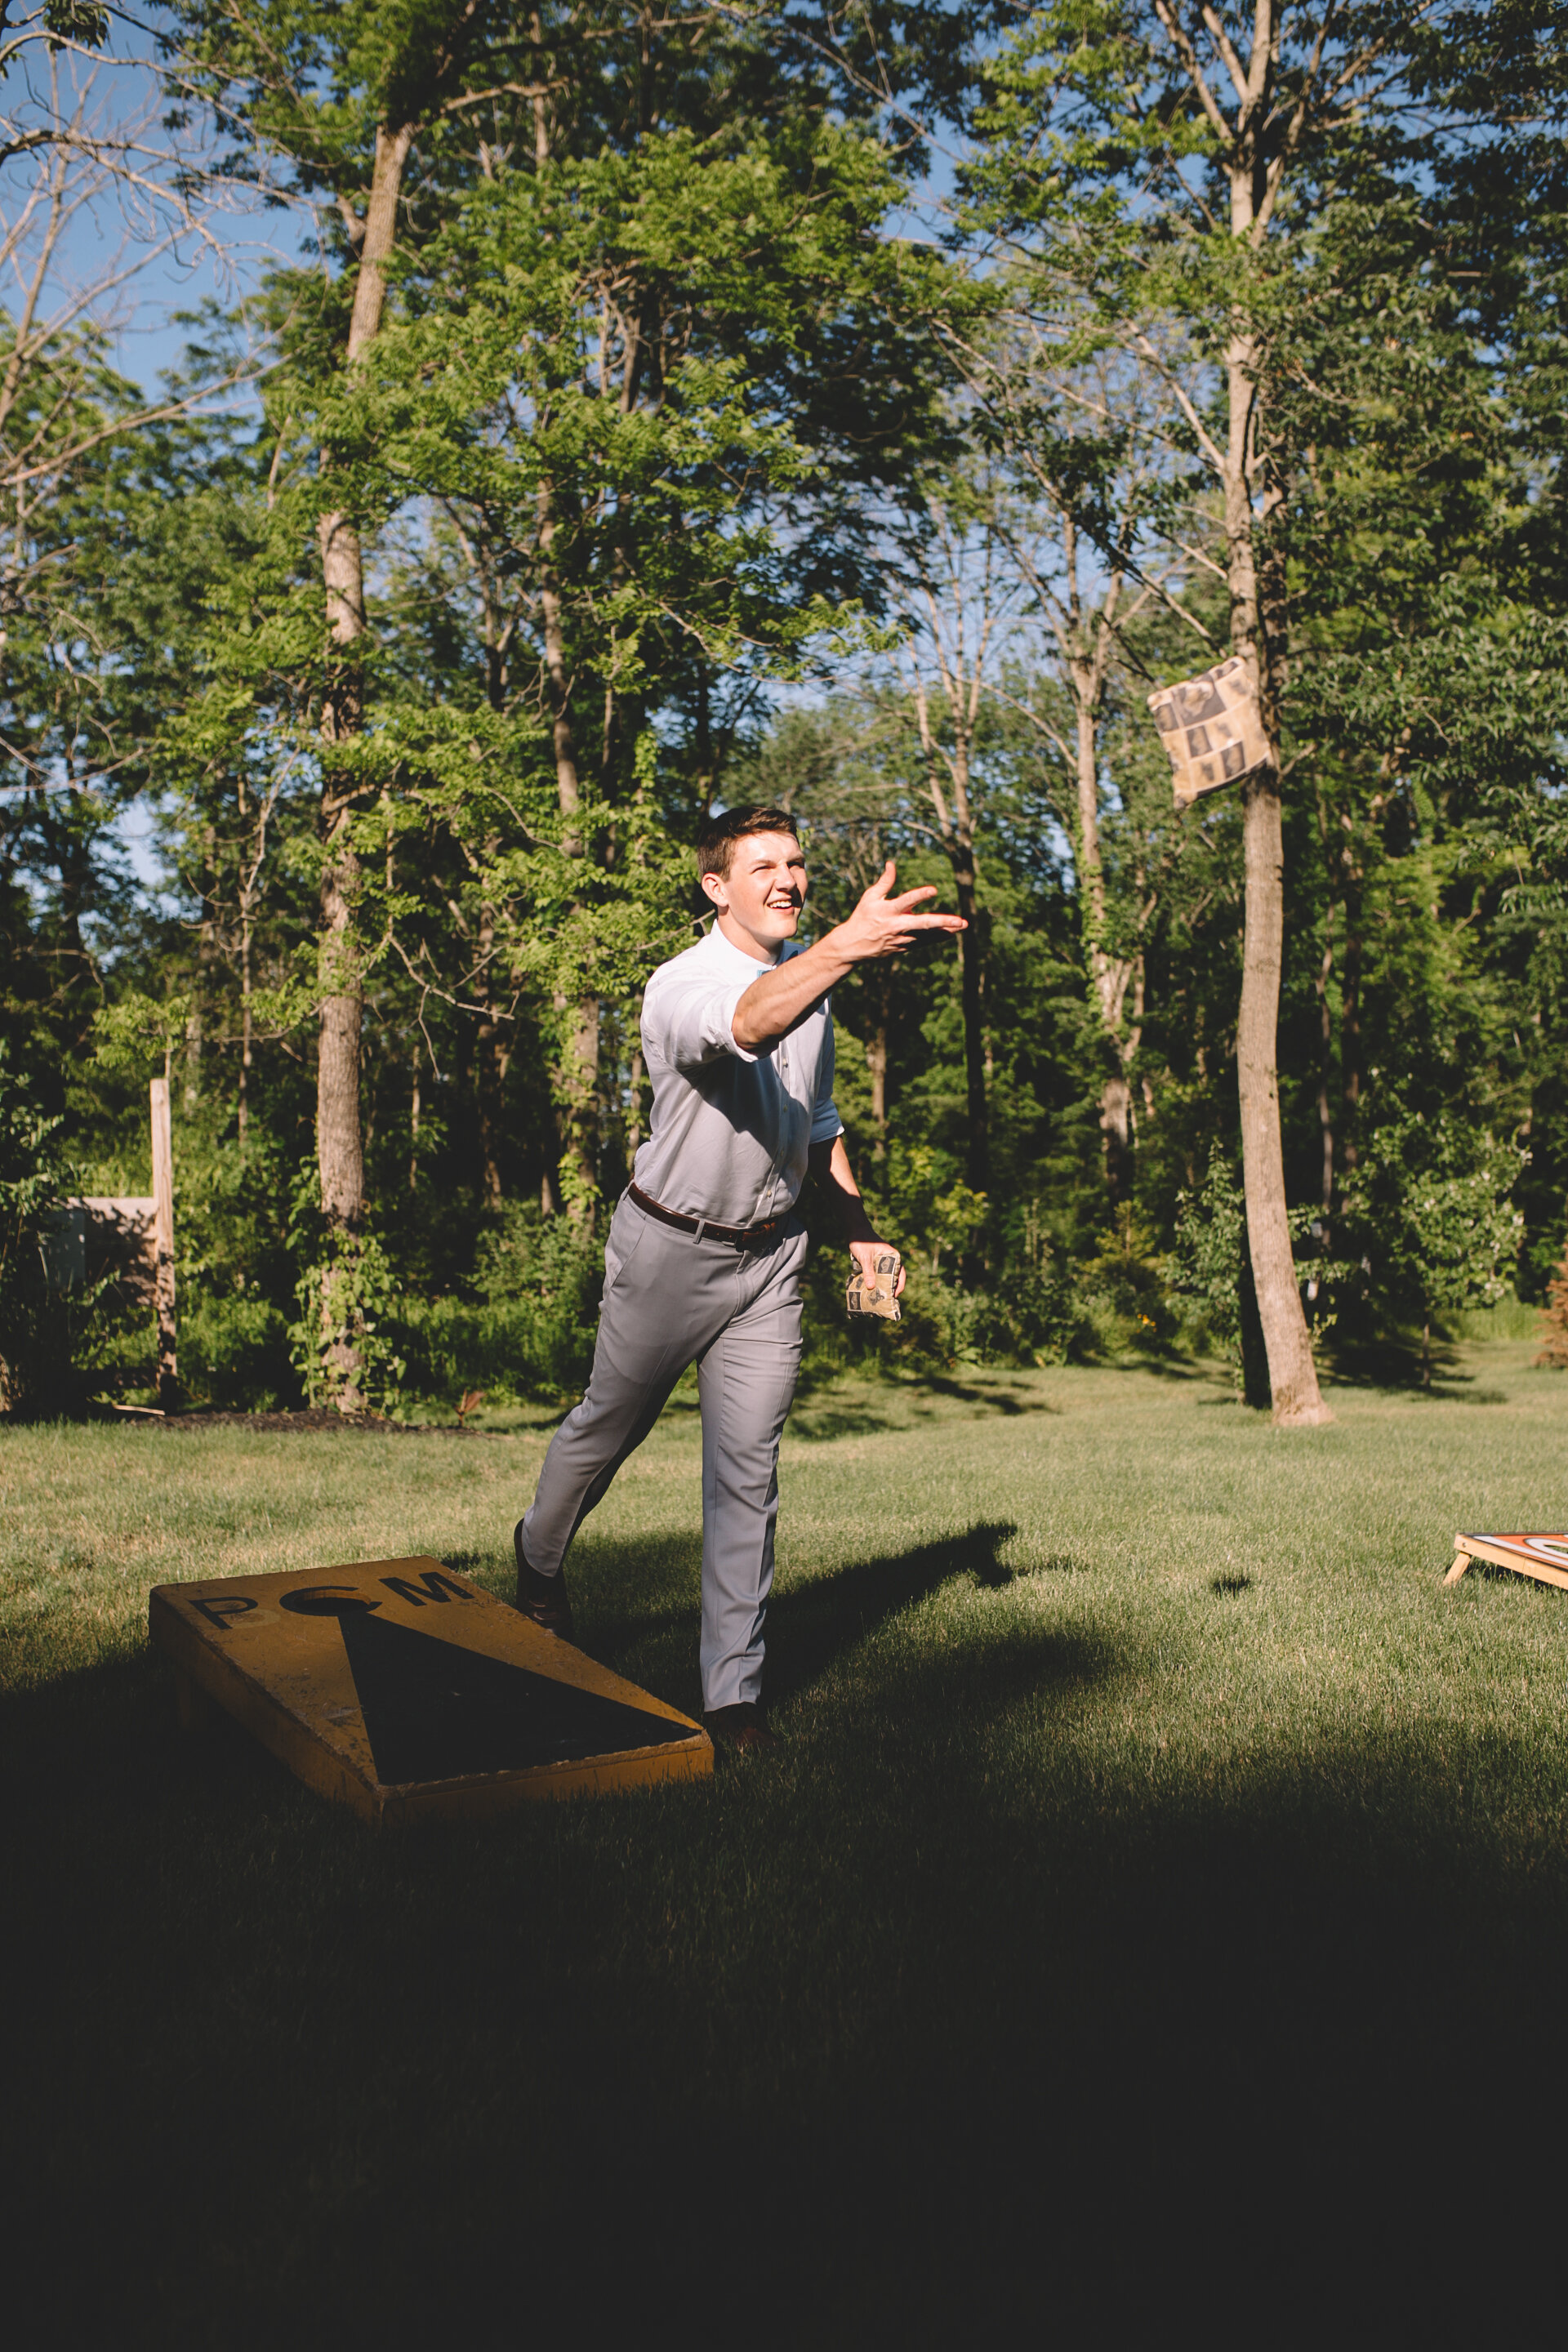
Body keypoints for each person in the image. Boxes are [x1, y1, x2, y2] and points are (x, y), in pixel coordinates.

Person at [513, 804, 966, 1750]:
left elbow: (819, 1125)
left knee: (746, 1476)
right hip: (671, 1248)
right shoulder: (683, 986)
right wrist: (843, 948)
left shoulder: (815, 986)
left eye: (797, 863)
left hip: (771, 1258)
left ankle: (732, 1699)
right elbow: (749, 1025)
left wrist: (858, 1235)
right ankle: (539, 1555)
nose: (788, 880)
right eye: (763, 867)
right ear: (717, 887)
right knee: (607, 1428)